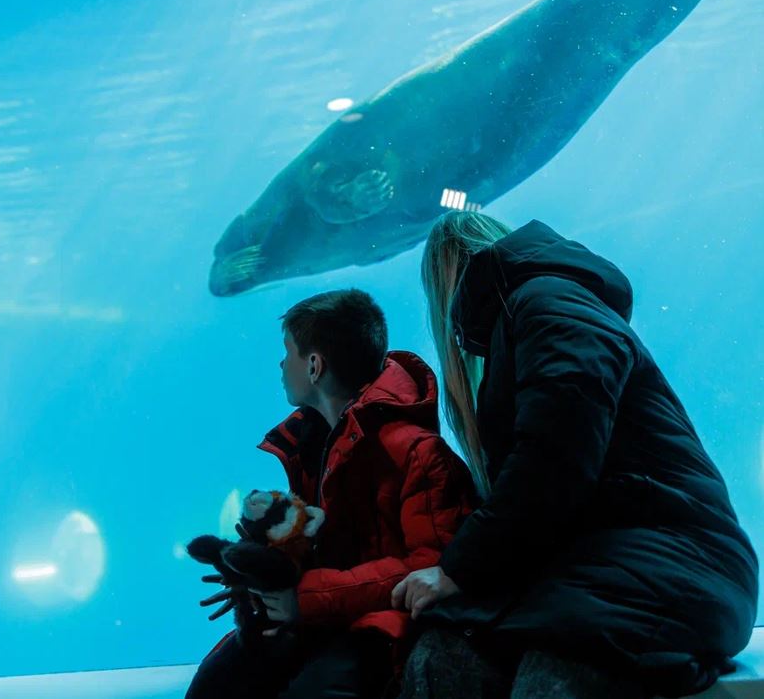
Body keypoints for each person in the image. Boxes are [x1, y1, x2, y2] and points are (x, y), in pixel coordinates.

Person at [393, 214, 758, 698]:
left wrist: (458, 568)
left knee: (553, 668)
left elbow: (555, 454)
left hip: (681, 559)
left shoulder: (548, 300)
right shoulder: (531, 311)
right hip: (614, 561)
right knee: (444, 653)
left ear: (446, 281)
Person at [187, 289, 478, 699]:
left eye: (287, 352)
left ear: (314, 365)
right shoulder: (311, 443)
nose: (281, 364)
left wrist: (303, 599)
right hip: (322, 618)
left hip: (382, 627)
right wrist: (257, 575)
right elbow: (319, 547)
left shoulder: (419, 453)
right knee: (216, 682)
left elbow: (431, 565)